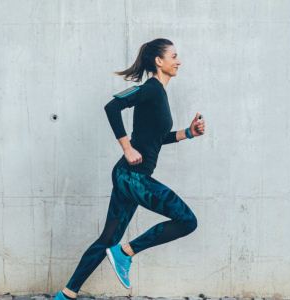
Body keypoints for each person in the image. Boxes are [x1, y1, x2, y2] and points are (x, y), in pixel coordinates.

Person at [54, 38, 206, 300]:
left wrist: (188, 133)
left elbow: (156, 138)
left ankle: (65, 295)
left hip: (130, 177)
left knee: (107, 240)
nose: (178, 61)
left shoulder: (159, 93)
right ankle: (126, 253)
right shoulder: (151, 89)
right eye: (174, 56)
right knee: (187, 221)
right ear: (159, 61)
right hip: (131, 176)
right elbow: (112, 107)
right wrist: (126, 147)